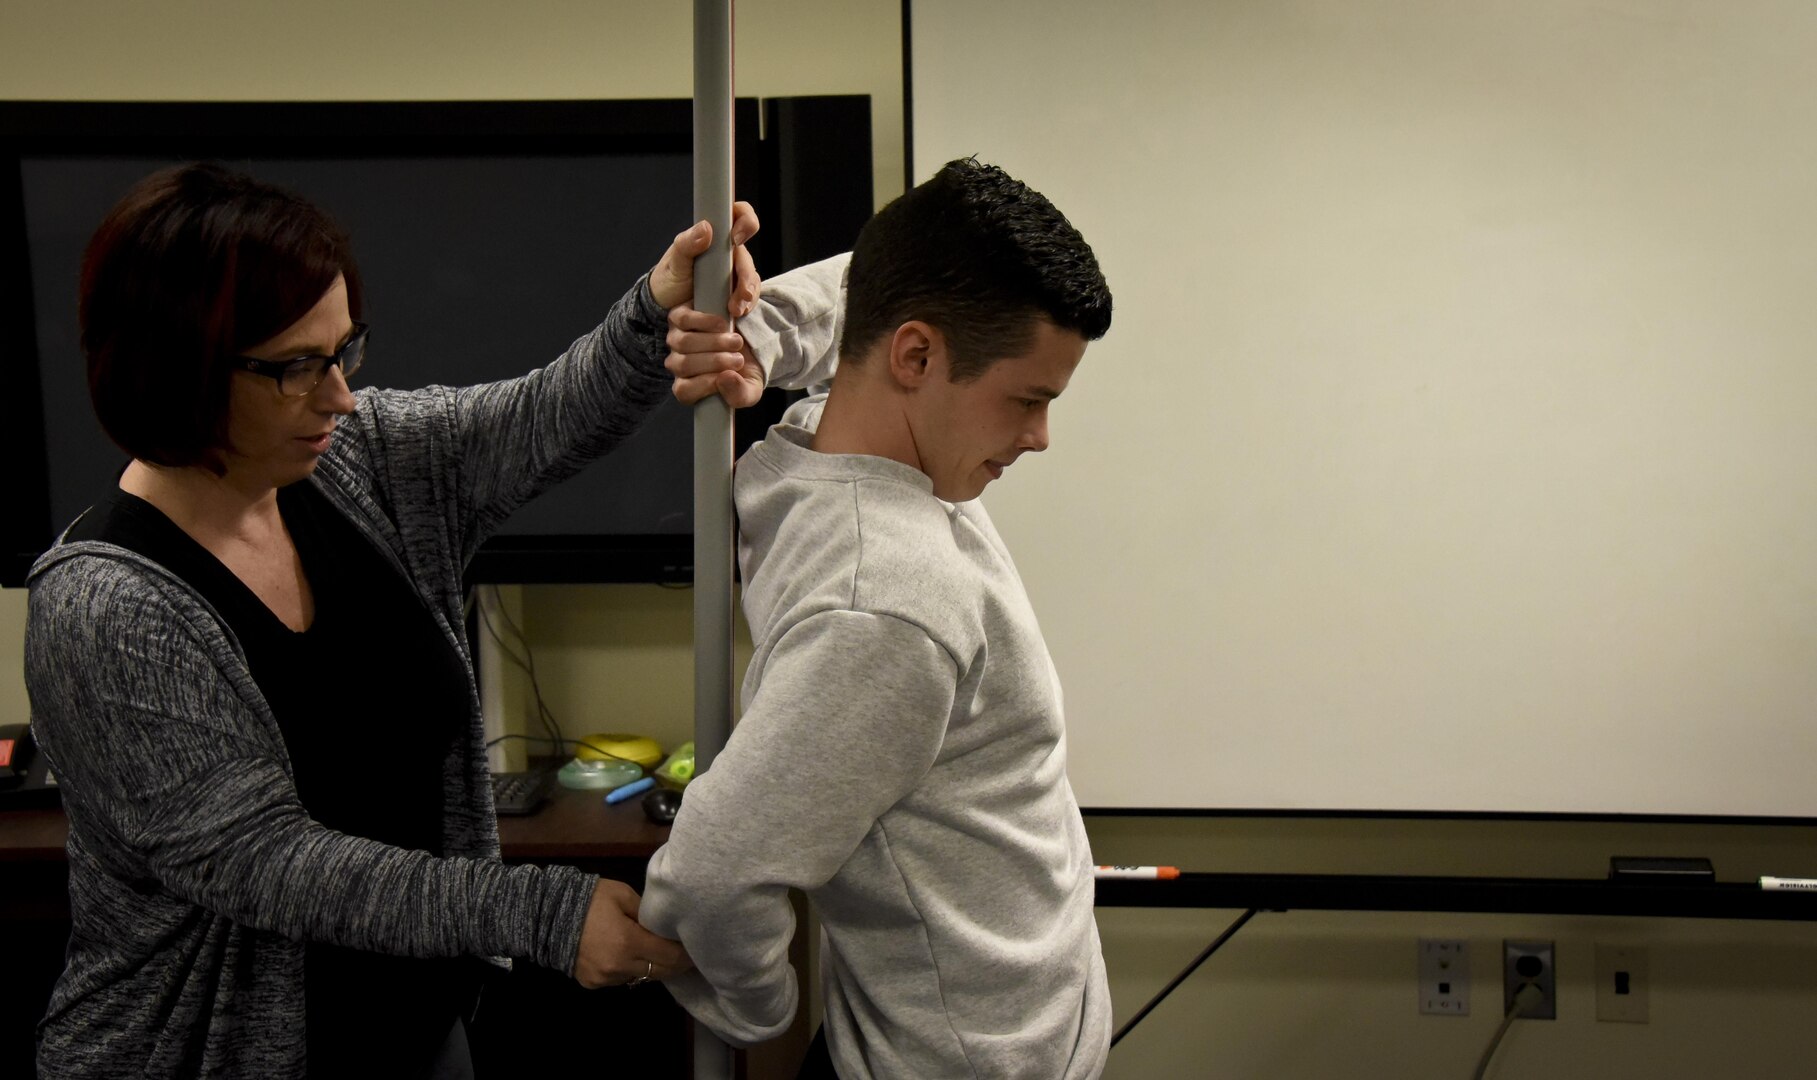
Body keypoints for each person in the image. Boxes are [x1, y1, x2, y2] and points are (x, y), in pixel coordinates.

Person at [23, 162, 759, 1080]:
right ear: (177, 367)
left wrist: (657, 307)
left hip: (412, 1025)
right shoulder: (105, 608)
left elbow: (541, 417)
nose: (337, 396)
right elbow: (273, 864)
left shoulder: (353, 460)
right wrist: (537, 914)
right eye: (295, 367)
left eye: (343, 351)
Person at [643, 158, 1116, 1079]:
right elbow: (711, 875)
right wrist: (758, 1006)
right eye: (1028, 399)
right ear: (915, 358)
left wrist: (758, 336)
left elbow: (876, 279)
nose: (1039, 437)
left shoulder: (819, 449)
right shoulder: (890, 600)